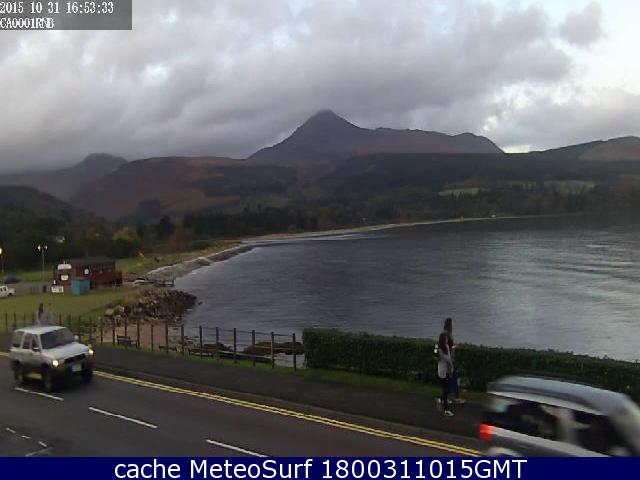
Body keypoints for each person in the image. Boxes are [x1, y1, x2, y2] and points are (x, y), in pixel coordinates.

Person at [444, 317, 466, 405]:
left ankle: (451, 398)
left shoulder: (448, 334)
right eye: (452, 323)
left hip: (450, 360)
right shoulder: (446, 334)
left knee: (452, 379)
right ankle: (453, 398)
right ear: (449, 324)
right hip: (449, 361)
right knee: (452, 379)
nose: (454, 324)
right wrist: (455, 347)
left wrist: (453, 345)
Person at [437, 327, 454, 417]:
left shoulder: (446, 346)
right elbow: (447, 358)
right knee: (445, 390)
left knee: (447, 389)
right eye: (446, 339)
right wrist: (448, 357)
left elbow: (448, 359)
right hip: (443, 372)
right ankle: (446, 410)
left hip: (448, 370)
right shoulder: (439, 349)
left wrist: (451, 369)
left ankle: (441, 399)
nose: (447, 340)